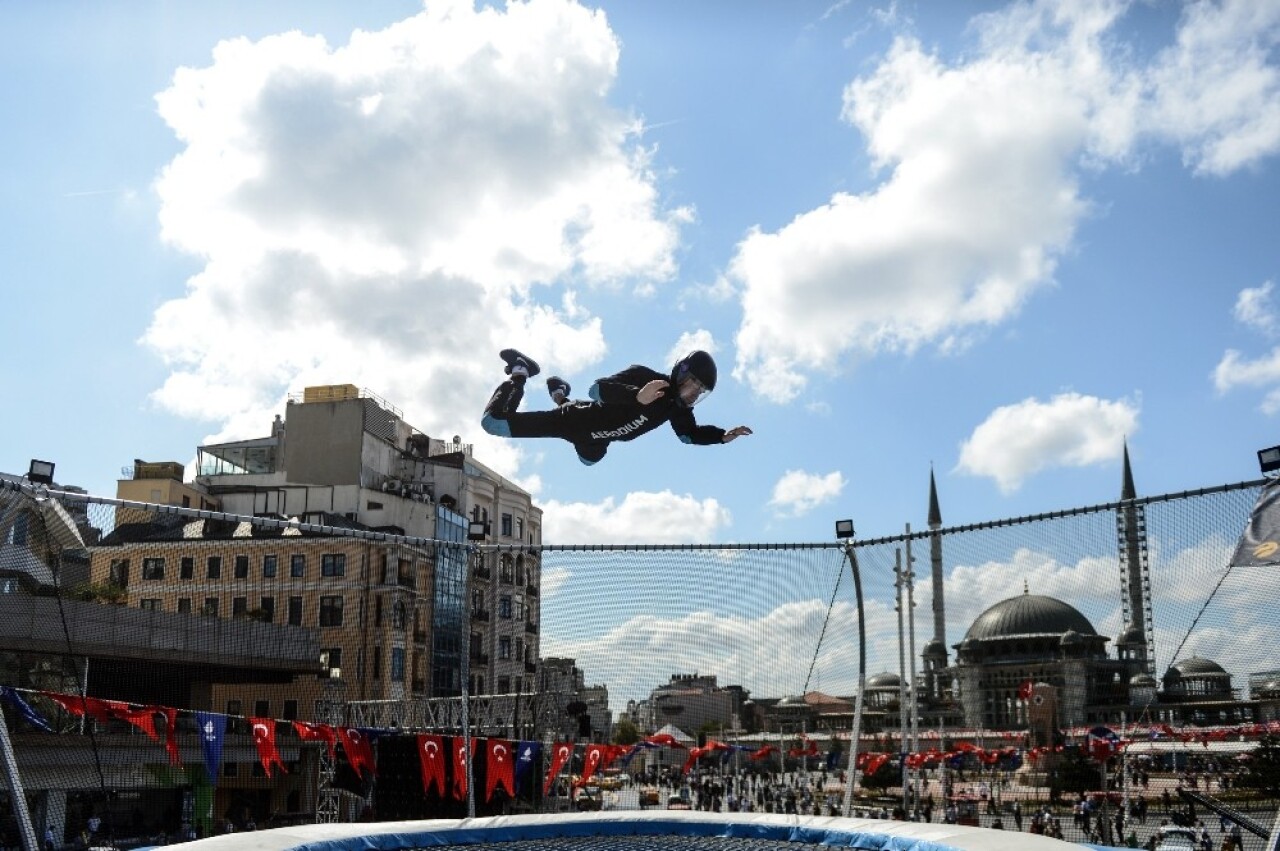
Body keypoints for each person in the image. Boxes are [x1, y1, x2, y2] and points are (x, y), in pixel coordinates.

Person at [481, 349, 752, 465]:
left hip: (598, 443)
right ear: (680, 374)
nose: (693, 396)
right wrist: (637, 397)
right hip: (572, 422)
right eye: (693, 387)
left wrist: (721, 436)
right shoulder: (646, 377)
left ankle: (559, 393)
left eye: (700, 393)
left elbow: (687, 435)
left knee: (588, 462)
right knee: (493, 424)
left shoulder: (676, 407)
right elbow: (596, 389)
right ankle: (521, 371)